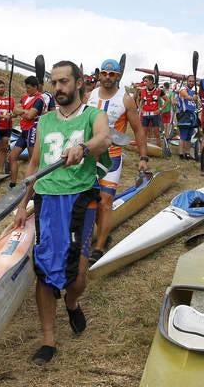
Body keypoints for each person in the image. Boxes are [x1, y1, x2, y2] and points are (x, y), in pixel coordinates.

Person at [13, 60, 111, 365]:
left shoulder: (95, 115)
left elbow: (104, 139)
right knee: (43, 269)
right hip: (46, 200)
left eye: (64, 82)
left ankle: (71, 302)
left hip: (80, 199)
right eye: (54, 82)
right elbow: (34, 166)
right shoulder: (44, 122)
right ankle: (48, 340)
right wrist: (22, 203)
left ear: (79, 83)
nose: (58, 88)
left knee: (77, 275)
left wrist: (84, 147)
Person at [86, 59, 148, 263]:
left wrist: (143, 157)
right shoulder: (90, 95)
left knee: (105, 202)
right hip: (90, 158)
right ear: (99, 74)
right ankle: (101, 232)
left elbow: (138, 130)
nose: (107, 77)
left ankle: (100, 246)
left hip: (111, 158)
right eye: (104, 73)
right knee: (90, 200)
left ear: (118, 76)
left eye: (112, 74)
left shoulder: (126, 100)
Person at [9, 76, 45, 187]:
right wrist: (23, 111)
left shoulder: (39, 99)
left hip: (32, 130)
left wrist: (21, 111)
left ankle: (31, 187)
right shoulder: (24, 97)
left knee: (32, 161)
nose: (26, 90)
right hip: (23, 131)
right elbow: (15, 110)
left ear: (35, 87)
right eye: (26, 87)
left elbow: (30, 116)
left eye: (29, 88)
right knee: (12, 157)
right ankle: (13, 185)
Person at [0, 79, 15, 173]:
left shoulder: (11, 100)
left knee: (4, 149)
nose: (1, 89)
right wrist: (4, 116)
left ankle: (0, 170)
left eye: (2, 87)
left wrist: (12, 115)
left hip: (7, 127)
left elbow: (13, 113)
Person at [138, 75, 166, 148]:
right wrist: (140, 109)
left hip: (155, 114)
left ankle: (159, 148)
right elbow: (138, 100)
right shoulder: (142, 90)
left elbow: (167, 100)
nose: (144, 83)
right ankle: (143, 147)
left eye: (146, 81)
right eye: (144, 81)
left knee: (156, 132)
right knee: (144, 132)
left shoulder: (159, 90)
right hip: (145, 115)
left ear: (151, 81)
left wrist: (160, 109)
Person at [177, 75, 200, 159]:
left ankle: (187, 153)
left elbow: (198, 102)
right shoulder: (183, 89)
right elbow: (186, 96)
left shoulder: (194, 91)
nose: (191, 83)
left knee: (189, 136)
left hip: (192, 114)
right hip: (184, 114)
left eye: (193, 81)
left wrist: (198, 101)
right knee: (183, 135)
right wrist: (193, 98)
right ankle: (181, 154)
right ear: (187, 81)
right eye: (190, 81)